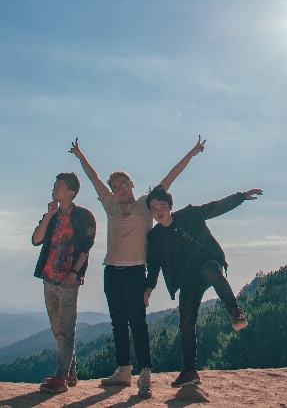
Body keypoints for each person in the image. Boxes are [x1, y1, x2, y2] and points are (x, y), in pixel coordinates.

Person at [69, 136, 205, 398]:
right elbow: (94, 177)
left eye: (122, 185)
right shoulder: (109, 204)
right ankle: (123, 370)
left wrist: (193, 152)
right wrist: (79, 154)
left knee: (138, 324)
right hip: (111, 270)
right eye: (114, 186)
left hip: (135, 272)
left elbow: (170, 177)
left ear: (131, 184)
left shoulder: (146, 204)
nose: (118, 189)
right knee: (118, 323)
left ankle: (145, 375)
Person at [144, 184, 262, 388]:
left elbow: (215, 207)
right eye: (154, 209)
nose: (158, 212)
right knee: (186, 322)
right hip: (187, 280)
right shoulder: (154, 237)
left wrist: (241, 196)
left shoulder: (189, 215)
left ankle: (235, 311)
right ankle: (190, 371)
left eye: (162, 206)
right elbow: (153, 266)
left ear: (170, 206)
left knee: (211, 271)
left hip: (208, 262)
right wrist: (149, 288)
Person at [31, 172, 97, 394]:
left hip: (69, 280)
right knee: (58, 328)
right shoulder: (53, 216)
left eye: (59, 186)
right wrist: (49, 216)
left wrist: (75, 274)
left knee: (67, 329)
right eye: (55, 185)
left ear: (71, 192)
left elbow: (86, 247)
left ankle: (60, 378)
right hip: (49, 277)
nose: (54, 188)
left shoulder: (84, 217)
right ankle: (71, 372)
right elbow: (36, 240)